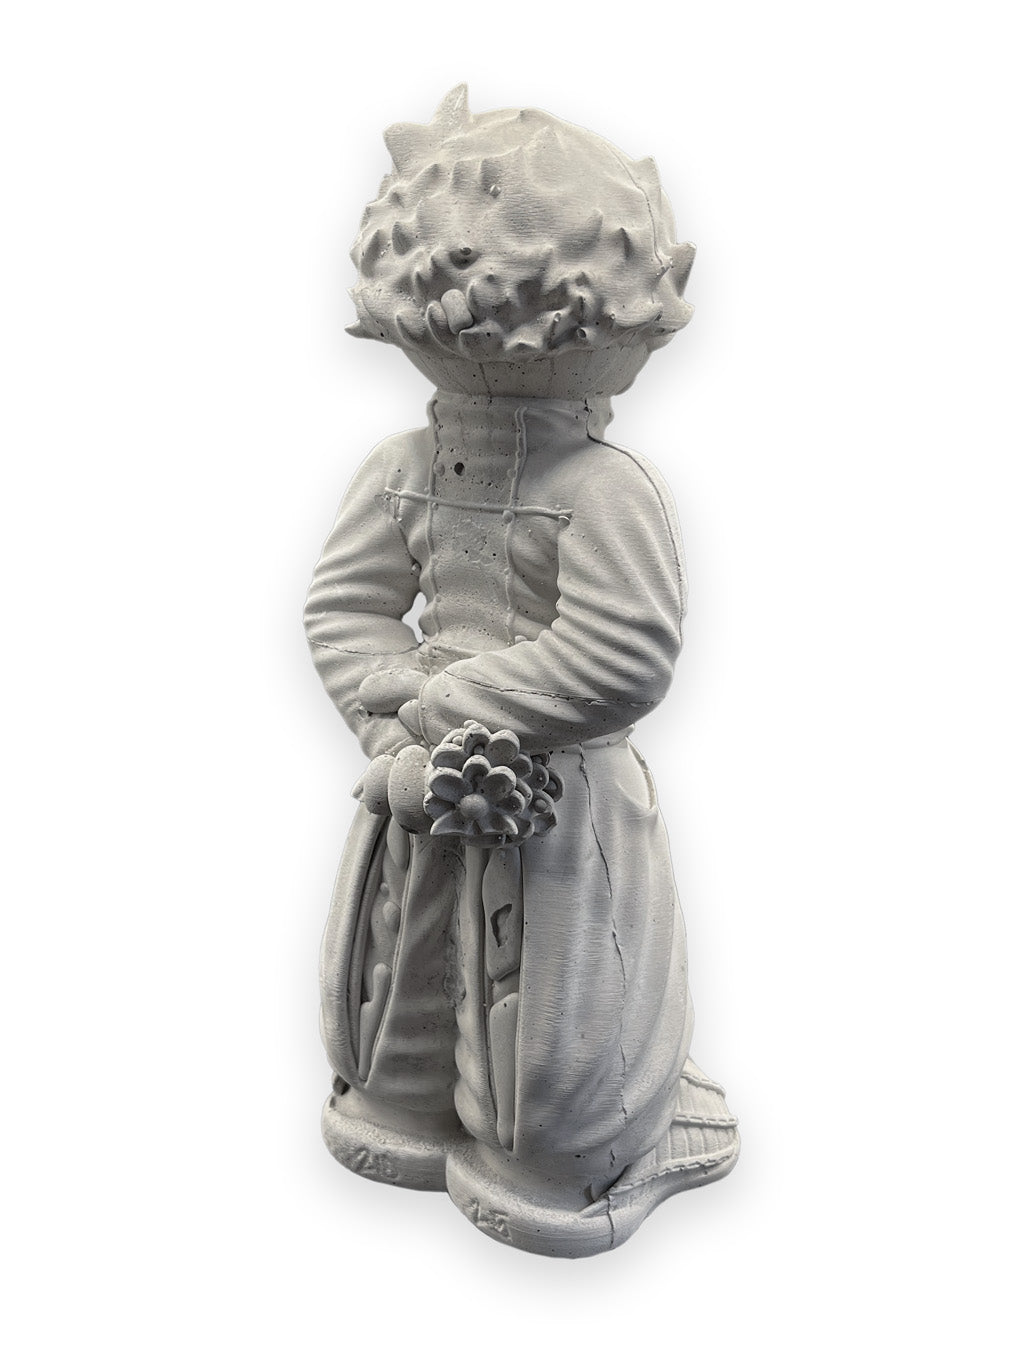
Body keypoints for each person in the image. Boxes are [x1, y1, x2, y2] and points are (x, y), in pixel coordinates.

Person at [304, 86, 737, 1257]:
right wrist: (390, 729)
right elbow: (344, 607)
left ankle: (553, 1150)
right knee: (410, 980)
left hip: (535, 789)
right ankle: (426, 1120)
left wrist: (435, 706)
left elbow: (622, 653)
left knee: (527, 1009)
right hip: (434, 785)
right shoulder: (417, 468)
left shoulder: (596, 489)